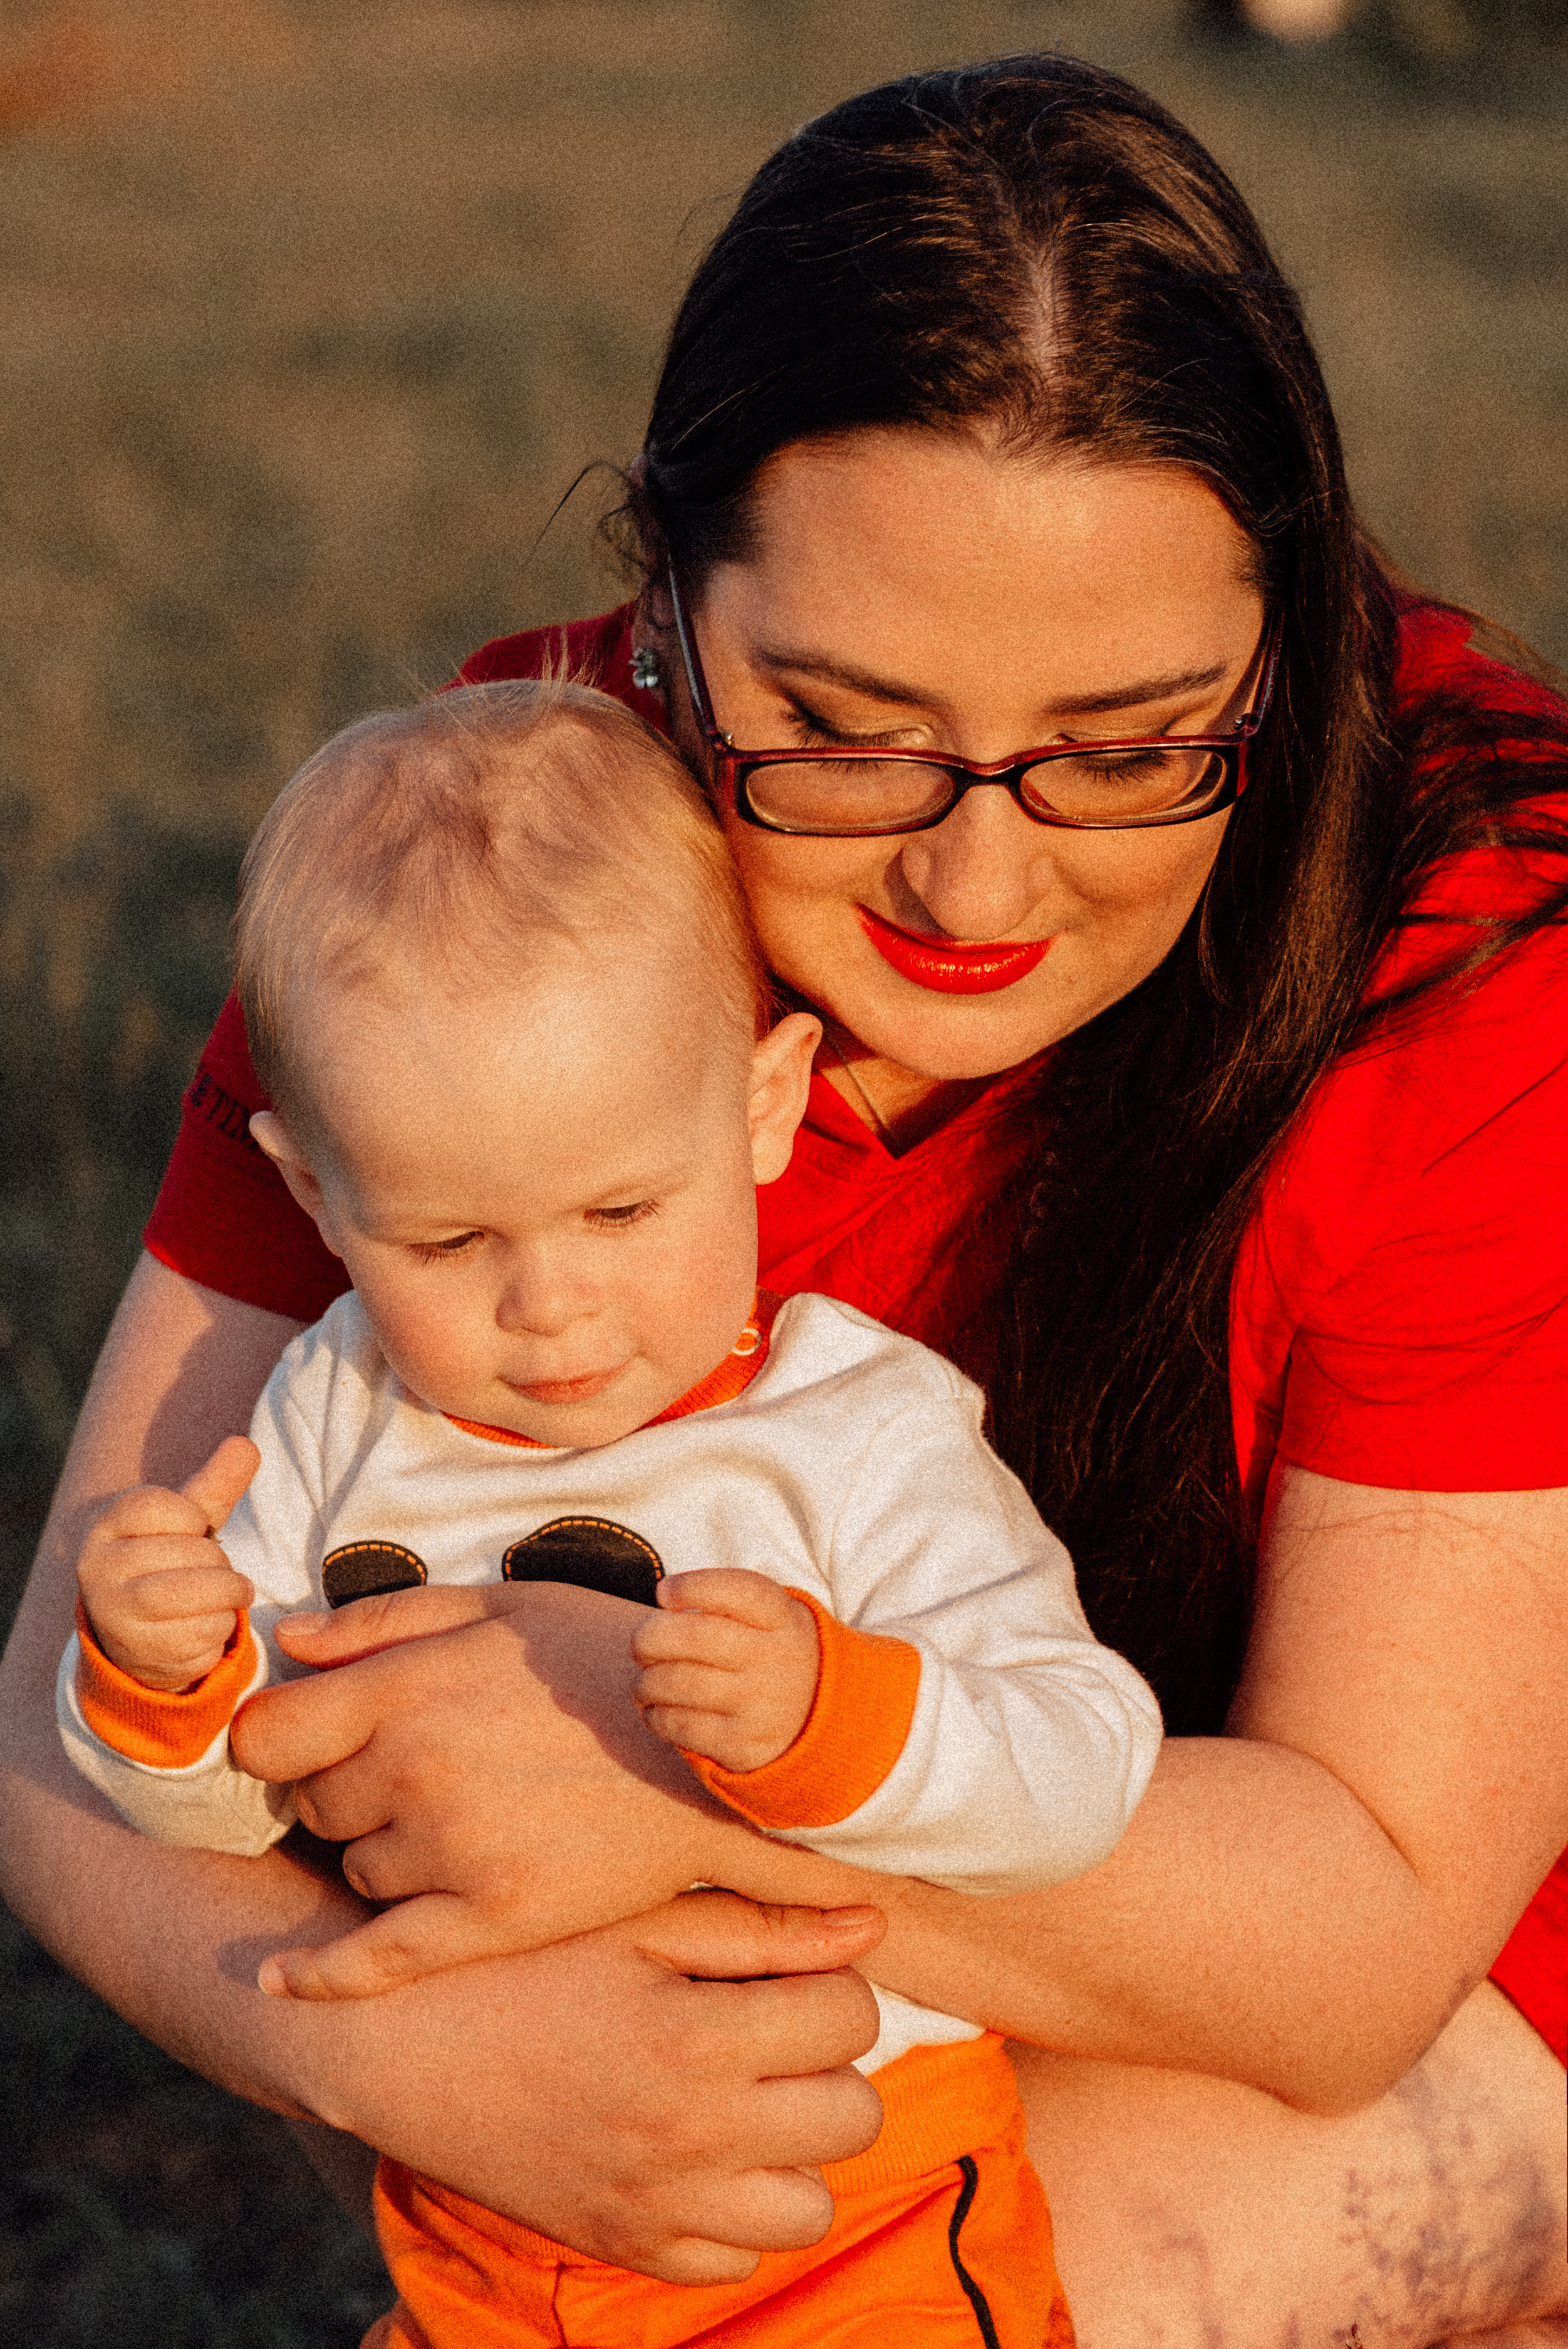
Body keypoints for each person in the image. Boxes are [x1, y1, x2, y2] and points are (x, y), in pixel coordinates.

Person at [3, 50, 1567, 2349]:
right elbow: (53, 1735)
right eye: (841, 725)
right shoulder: (473, 908)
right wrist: (381, 2047)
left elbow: (1354, 1947)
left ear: (1293, 643)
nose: (978, 874)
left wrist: (654, 1777)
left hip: (1432, 2007)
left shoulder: (1475, 954)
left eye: (1132, 744)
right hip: (864, 1992)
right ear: (663, 604)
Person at [58, 677, 1162, 2345]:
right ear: (315, 1196)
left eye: (624, 1206)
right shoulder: (335, 1418)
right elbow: (224, 1822)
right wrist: (165, 1683)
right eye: (447, 1243)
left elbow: (1080, 1768)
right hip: (487, 2217)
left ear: (764, 1109)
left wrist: (831, 1725)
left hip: (839, 2233)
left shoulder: (851, 1440)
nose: (551, 1306)